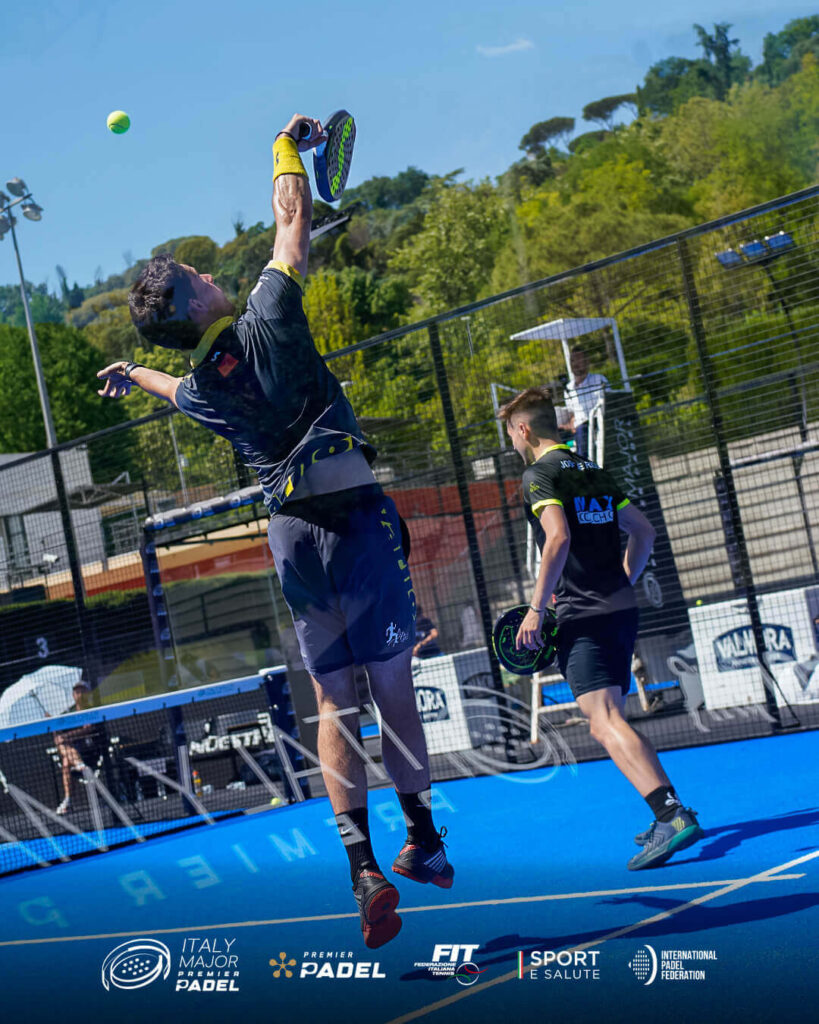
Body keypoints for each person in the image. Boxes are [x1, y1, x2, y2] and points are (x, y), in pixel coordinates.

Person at [96, 112, 452, 947]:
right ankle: (424, 843)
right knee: (391, 687)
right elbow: (292, 213)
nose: (207, 270)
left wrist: (133, 370)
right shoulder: (268, 315)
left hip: (290, 538)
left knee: (333, 701)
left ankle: (361, 869)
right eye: (197, 273)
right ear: (196, 301)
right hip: (354, 522)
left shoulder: (204, 391)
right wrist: (285, 144)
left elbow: (173, 390)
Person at [498, 386, 703, 870]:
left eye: (511, 433)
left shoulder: (538, 474)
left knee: (603, 721)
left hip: (584, 614)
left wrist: (537, 608)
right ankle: (669, 809)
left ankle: (670, 814)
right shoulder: (592, 469)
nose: (512, 442)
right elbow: (644, 531)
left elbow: (558, 538)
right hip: (619, 609)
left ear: (523, 429)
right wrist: (623, 580)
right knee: (611, 717)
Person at [54, 681, 97, 815]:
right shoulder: (68, 713)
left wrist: (68, 736)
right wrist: (52, 724)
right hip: (73, 752)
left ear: (88, 693)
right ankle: (79, 764)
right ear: (73, 695)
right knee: (65, 759)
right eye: (77, 692)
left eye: (82, 691)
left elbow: (89, 728)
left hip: (90, 750)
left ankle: (67, 801)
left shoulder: (91, 709)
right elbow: (59, 736)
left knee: (66, 760)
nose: (80, 694)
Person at [563, 346, 609, 459]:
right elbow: (572, 414)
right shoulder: (568, 388)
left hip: (601, 422)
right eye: (572, 360)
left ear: (587, 361)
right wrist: (570, 425)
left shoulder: (599, 379)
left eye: (578, 359)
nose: (575, 363)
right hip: (581, 428)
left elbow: (610, 401)